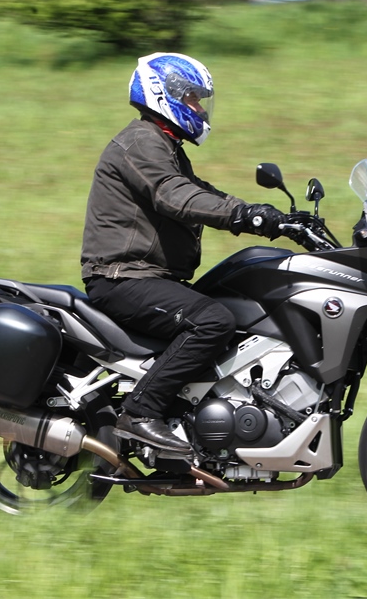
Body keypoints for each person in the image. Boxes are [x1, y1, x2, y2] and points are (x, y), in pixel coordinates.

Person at [80, 52, 285, 455]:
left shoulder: (164, 145)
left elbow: (202, 191)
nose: (200, 108)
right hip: (122, 278)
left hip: (146, 277)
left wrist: (270, 216)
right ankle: (140, 413)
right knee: (213, 320)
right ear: (165, 94)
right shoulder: (140, 142)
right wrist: (246, 216)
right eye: (192, 97)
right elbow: (175, 196)